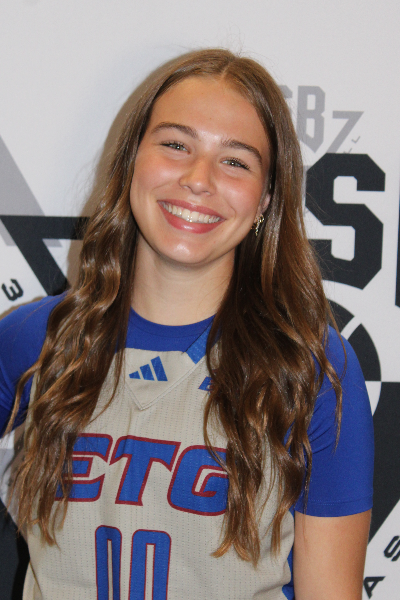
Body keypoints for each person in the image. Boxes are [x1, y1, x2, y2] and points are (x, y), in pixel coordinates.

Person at [0, 48, 373, 600]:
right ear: (132, 161)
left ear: (266, 199)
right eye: (176, 145)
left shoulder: (311, 368)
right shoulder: (37, 339)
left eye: (236, 161)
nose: (199, 179)